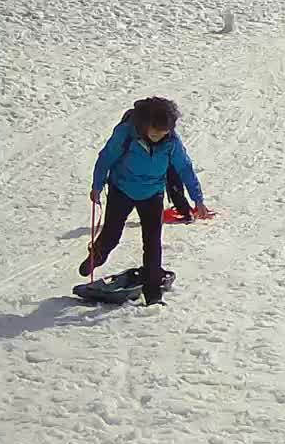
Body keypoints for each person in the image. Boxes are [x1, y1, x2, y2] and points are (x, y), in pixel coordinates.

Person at [82, 97, 204, 305]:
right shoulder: (126, 134)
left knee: (153, 243)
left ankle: (153, 294)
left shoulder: (172, 143)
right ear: (144, 125)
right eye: (154, 132)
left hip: (152, 194)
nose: (158, 137)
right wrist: (97, 185)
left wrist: (197, 199)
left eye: (163, 133)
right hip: (122, 189)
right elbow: (106, 157)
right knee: (111, 235)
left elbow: (184, 168)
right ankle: (97, 255)